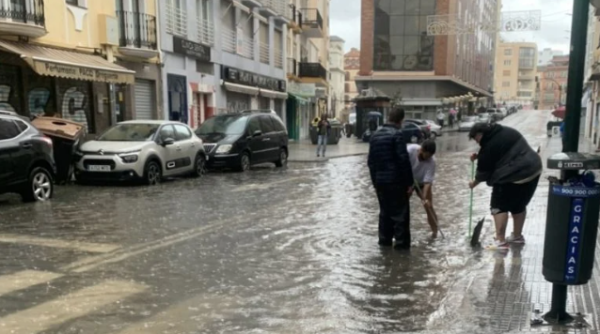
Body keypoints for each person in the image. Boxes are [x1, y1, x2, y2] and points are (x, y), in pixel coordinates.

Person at [468, 122, 542, 250]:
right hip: (534, 169)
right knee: (518, 204)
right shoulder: (506, 131)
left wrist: (473, 183)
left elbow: (483, 174)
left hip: (514, 173)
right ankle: (517, 237)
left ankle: (500, 241)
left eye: (476, 139)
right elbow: (501, 150)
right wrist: (479, 156)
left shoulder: (488, 146)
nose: (477, 142)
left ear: (480, 134)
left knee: (498, 205)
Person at [368, 108, 414, 250]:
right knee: (400, 215)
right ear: (401, 120)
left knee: (385, 213)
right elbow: (403, 160)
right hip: (396, 182)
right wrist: (410, 183)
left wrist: (375, 182)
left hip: (381, 183)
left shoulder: (375, 136)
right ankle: (401, 249)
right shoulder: (397, 134)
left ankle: (384, 244)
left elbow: (371, 162)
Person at [407, 140, 438, 238]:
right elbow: (400, 167)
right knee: (401, 206)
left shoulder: (432, 162)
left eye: (429, 157)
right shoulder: (410, 150)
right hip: (407, 179)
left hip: (421, 182)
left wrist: (425, 198)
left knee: (429, 206)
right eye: (425, 156)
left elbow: (427, 182)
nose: (426, 159)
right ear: (421, 149)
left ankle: (435, 233)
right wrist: (408, 186)